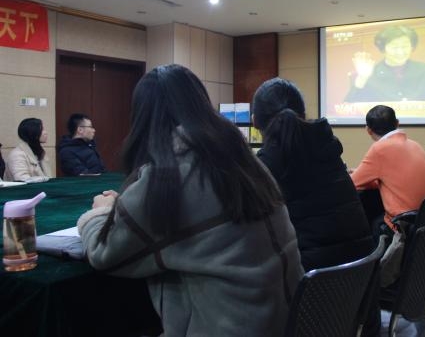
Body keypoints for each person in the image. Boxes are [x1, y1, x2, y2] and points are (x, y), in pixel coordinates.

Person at [77, 65, 303, 337]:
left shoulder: (168, 178)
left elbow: (104, 254)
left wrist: (101, 213)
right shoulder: (246, 160)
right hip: (287, 324)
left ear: (142, 117)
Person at [253, 78, 381, 336]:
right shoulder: (327, 148)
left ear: (255, 121)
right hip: (359, 296)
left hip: (312, 300)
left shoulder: (265, 166)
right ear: (303, 114)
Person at [350, 105, 425, 235]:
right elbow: (396, 179)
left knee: (367, 213)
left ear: (368, 130)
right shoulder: (415, 145)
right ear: (397, 123)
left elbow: (352, 183)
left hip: (403, 224)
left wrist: (356, 174)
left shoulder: (379, 149)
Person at [345, 25, 425, 102]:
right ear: (383, 48)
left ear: (412, 47)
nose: (400, 52)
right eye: (394, 47)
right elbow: (349, 106)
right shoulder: (369, 73)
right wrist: (362, 78)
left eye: (405, 46)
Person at [4, 118, 52, 182]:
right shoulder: (17, 155)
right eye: (42, 129)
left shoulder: (40, 152)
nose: (46, 133)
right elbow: (22, 179)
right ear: (33, 132)